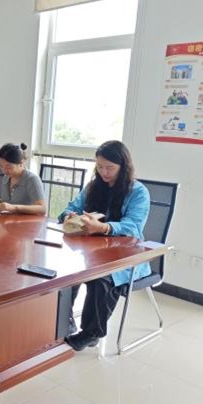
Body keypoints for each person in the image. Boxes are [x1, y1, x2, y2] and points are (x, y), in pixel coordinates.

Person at [59, 140, 150, 351]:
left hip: (126, 255)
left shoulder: (138, 192)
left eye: (110, 167)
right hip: (92, 250)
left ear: (123, 166)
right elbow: (71, 207)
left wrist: (103, 227)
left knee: (101, 278)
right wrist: (69, 215)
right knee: (66, 273)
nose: (104, 172)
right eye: (99, 167)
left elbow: (133, 226)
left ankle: (92, 333)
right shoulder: (94, 186)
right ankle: (63, 321)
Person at [0, 142, 46, 215]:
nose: (4, 171)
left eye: (8, 167)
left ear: (21, 163)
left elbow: (42, 209)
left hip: (26, 220)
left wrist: (14, 208)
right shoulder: (7, 177)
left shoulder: (32, 179)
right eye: (1, 166)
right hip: (9, 219)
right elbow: (8, 203)